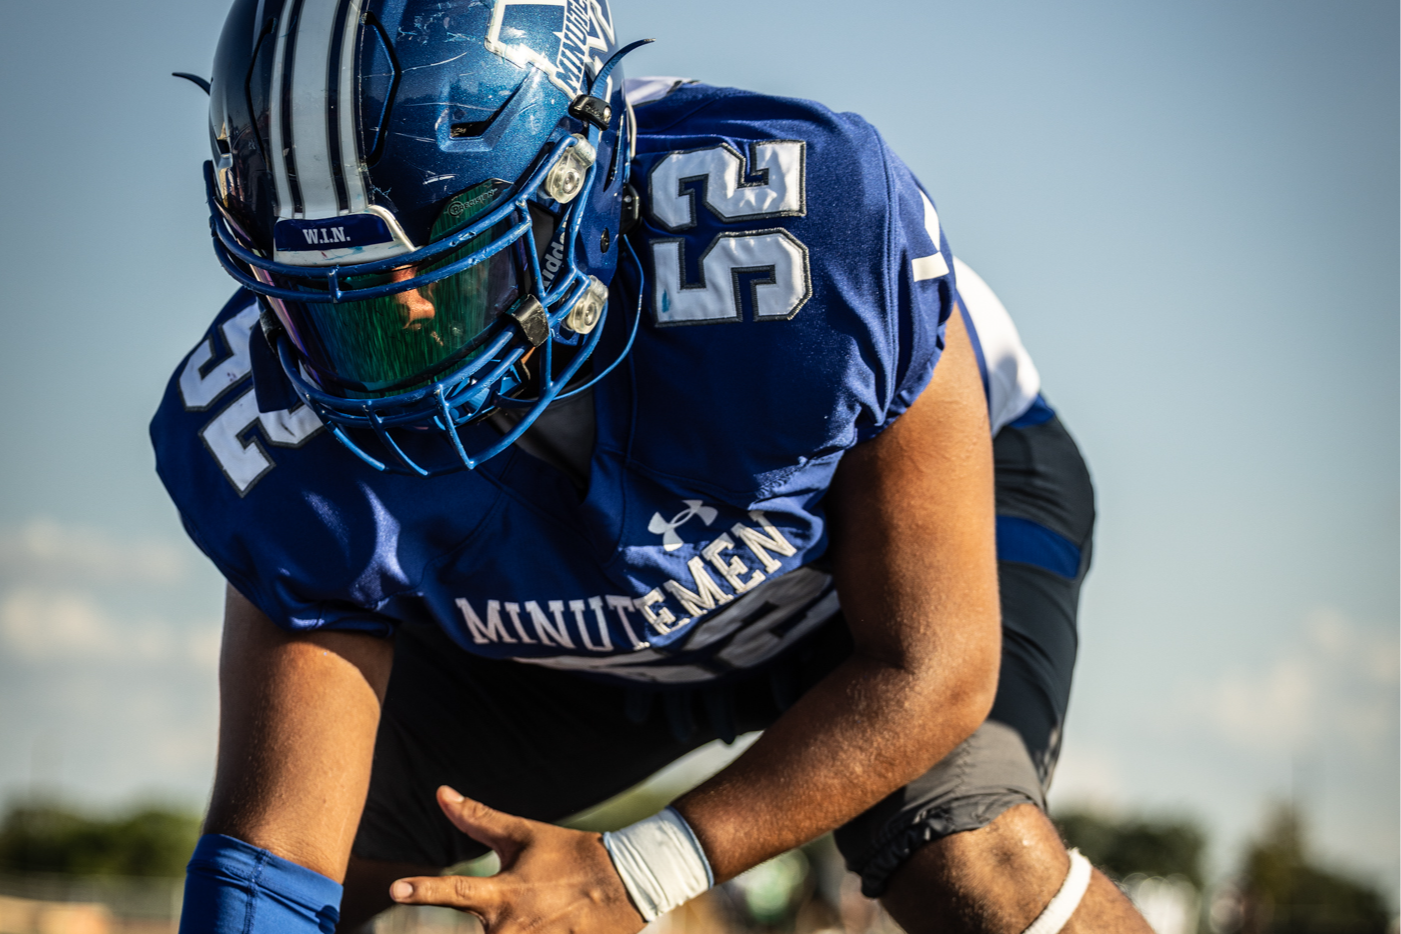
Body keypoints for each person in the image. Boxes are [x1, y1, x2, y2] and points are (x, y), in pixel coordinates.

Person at [152, 2, 1152, 932]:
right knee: (345, 856)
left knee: (972, 855)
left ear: (576, 184)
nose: (396, 340)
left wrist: (640, 868)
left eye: (450, 254)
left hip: (861, 580)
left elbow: (931, 670)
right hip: (584, 633)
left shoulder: (818, 233)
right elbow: (275, 851)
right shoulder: (280, 421)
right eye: (328, 298)